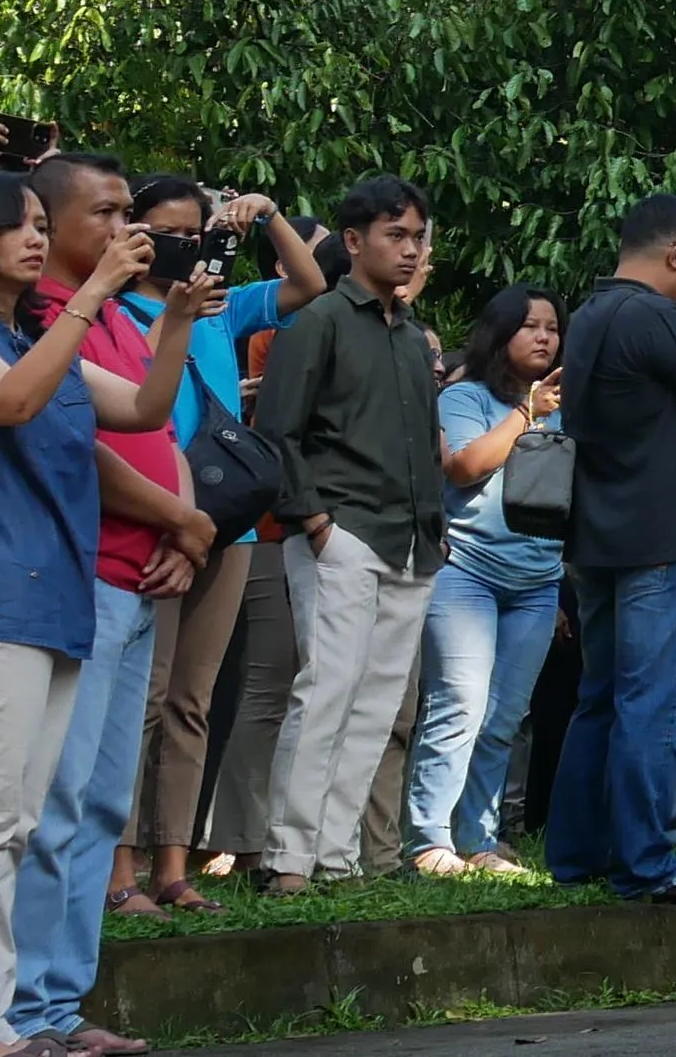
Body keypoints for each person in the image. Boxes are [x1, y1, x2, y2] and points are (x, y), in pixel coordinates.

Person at [0, 170, 213, 1057]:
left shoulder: (38, 332)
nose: (37, 237)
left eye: (44, 223)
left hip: (58, 600)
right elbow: (8, 401)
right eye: (19, 224)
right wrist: (91, 294)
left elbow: (146, 408)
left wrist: (179, 317)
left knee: (16, 824)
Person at [9, 153, 220, 1057]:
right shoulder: (43, 320)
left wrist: (180, 532)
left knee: (100, 803)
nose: (127, 228)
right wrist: (184, 519)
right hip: (85, 574)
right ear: (46, 226)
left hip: (142, 577)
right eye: (103, 213)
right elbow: (79, 448)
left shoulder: (126, 318)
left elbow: (151, 418)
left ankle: (62, 1006)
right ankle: (22, 1010)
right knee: (57, 801)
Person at [118, 173, 328, 912]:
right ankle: (120, 872)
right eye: (171, 230)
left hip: (227, 521)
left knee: (191, 701)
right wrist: (169, 313)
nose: (188, 243)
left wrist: (267, 216)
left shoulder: (222, 308)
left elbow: (307, 283)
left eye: (200, 231)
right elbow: (132, 388)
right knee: (138, 698)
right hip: (150, 517)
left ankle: (173, 868)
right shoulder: (114, 311)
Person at [546, 195, 676, 906]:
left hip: (604, 537)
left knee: (603, 698)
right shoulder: (650, 315)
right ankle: (650, 865)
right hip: (667, 539)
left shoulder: (590, 316)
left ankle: (579, 857)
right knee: (660, 702)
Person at [250, 175, 447, 893]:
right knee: (328, 689)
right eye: (396, 235)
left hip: (412, 539)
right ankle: (290, 858)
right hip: (342, 528)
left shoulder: (408, 335)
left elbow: (426, 442)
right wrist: (315, 520)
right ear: (355, 241)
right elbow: (278, 431)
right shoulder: (321, 321)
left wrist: (439, 533)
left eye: (417, 236)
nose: (410, 249)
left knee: (377, 705)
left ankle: (335, 857)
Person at [408, 285, 567, 877]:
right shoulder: (466, 395)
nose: (544, 337)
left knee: (504, 717)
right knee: (459, 706)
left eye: (552, 327)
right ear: (501, 333)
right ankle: (428, 841)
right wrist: (529, 413)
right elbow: (466, 465)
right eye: (530, 325)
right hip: (467, 571)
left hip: (539, 578)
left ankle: (479, 840)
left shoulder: (568, 405)